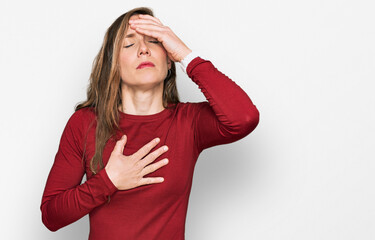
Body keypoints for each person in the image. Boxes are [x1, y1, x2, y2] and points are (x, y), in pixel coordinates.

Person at [40, 6, 260, 240]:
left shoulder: (188, 122)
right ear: (113, 65)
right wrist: (109, 181)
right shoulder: (85, 123)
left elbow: (244, 118)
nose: (144, 49)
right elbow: (51, 216)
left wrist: (186, 55)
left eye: (155, 42)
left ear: (168, 62)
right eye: (129, 44)